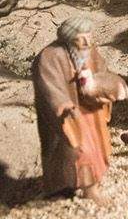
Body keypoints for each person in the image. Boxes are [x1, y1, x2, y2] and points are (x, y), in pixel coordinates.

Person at [31, 17, 120, 202]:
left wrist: (103, 87)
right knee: (75, 149)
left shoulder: (90, 51)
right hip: (66, 115)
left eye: (89, 36)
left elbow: (103, 72)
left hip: (91, 110)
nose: (87, 42)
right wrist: (65, 105)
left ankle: (91, 186)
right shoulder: (49, 57)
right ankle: (64, 188)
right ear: (69, 38)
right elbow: (49, 87)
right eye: (81, 38)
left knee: (96, 147)